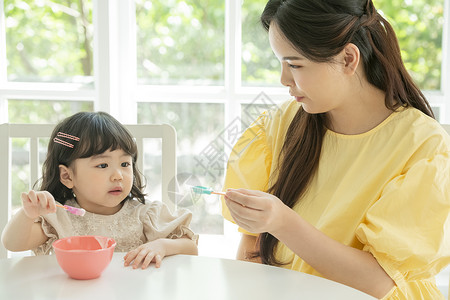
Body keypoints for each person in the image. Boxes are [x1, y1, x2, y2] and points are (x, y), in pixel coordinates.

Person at [221, 0, 450, 299]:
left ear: (348, 59)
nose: (284, 79)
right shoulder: (280, 124)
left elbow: (380, 281)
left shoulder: (422, 145)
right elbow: (253, 252)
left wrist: (282, 222)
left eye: (295, 64)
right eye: (281, 63)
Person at [1, 112, 198, 269]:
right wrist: (27, 215)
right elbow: (13, 244)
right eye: (103, 165)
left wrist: (162, 246)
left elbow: (190, 247)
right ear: (67, 176)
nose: (118, 175)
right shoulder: (58, 218)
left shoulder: (145, 215)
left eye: (124, 163)